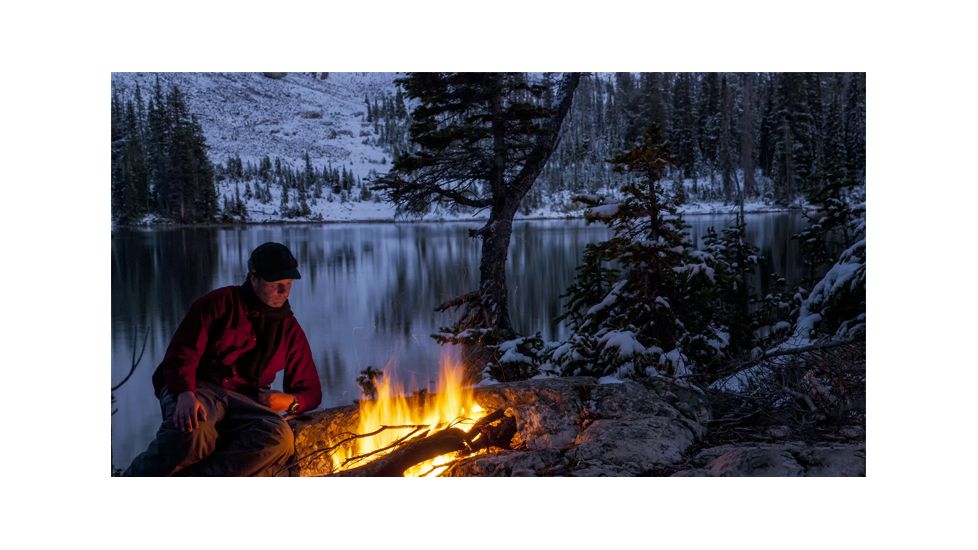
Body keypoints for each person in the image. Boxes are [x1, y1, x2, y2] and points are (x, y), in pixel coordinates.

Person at [124, 242, 322, 476]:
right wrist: (184, 393)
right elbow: (181, 354)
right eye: (275, 284)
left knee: (278, 437)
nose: (283, 291)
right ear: (254, 277)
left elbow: (311, 391)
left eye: (288, 285)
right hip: (197, 386)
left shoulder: (289, 329)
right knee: (195, 433)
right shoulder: (219, 303)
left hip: (246, 400)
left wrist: (290, 401)